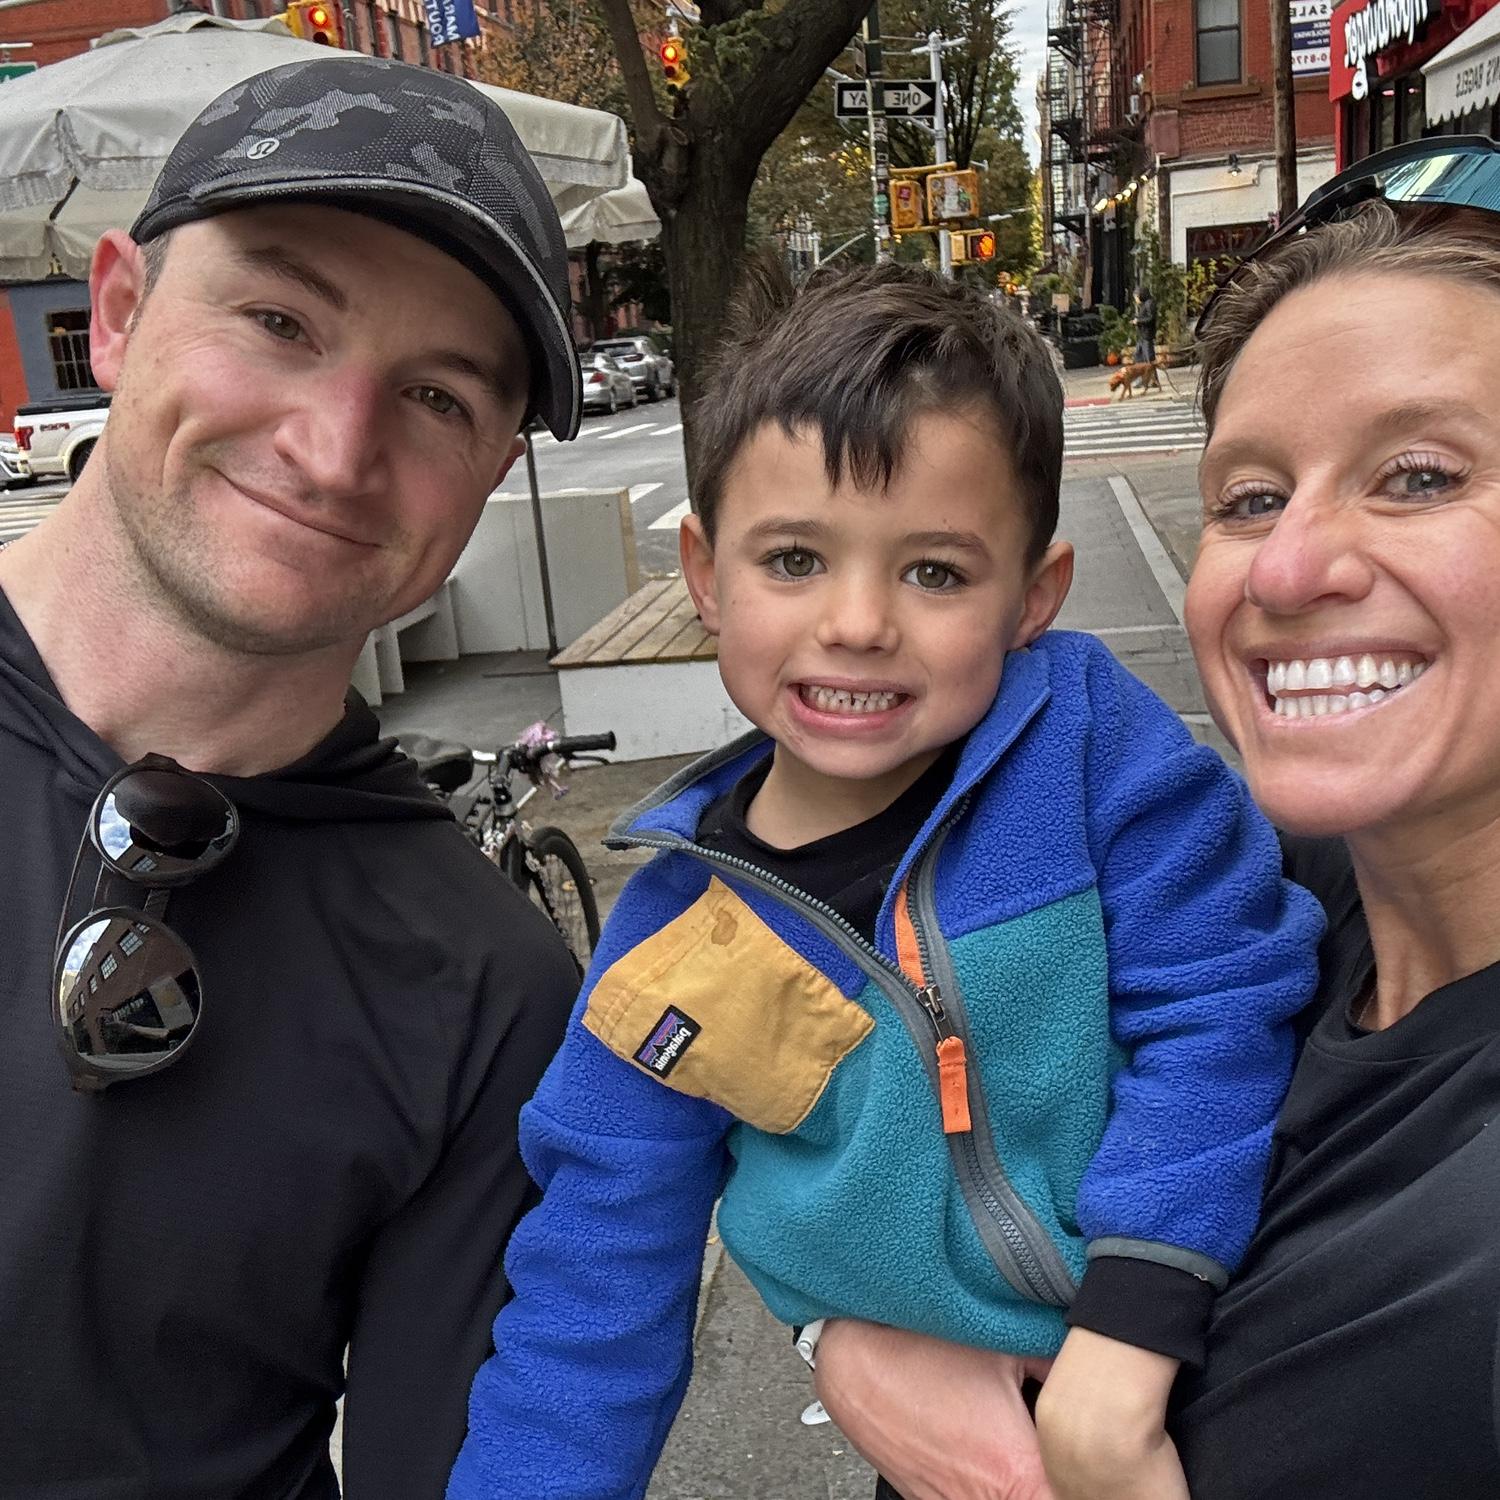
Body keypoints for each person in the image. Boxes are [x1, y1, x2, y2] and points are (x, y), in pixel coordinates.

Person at [447, 261, 1322, 1500]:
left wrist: (1132, 1327)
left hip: (1213, 1376)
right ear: (705, 573)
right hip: (947, 1462)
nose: (857, 623)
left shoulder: (1091, 756)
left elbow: (1225, 1004)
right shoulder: (674, 950)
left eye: (934, 573)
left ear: (1035, 596)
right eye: (794, 559)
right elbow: (596, 1276)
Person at [807, 136, 1500, 1500]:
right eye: (1250, 497)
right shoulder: (1237, 887)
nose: (1288, 567)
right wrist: (843, 1337)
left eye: (1419, 475)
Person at [0, 57, 585, 1498]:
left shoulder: (483, 993)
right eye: (278, 322)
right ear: (118, 313)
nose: (333, 452)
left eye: (437, 397)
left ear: (491, 471)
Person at [1132, 285, 1157, 365]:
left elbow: (1151, 318)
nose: (1136, 299)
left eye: (1136, 297)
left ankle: (1150, 371)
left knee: (1148, 355)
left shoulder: (1149, 303)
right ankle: (1141, 370)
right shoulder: (1144, 304)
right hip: (1143, 333)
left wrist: (1138, 321)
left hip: (1147, 334)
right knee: (1138, 354)